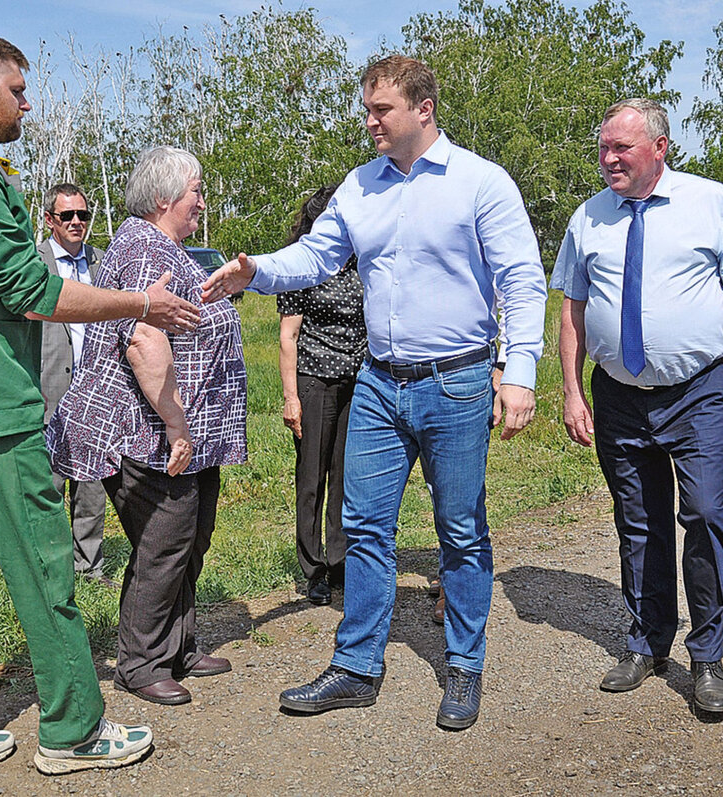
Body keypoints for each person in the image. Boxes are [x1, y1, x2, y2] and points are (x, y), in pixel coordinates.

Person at [204, 55, 547, 731]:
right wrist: (258, 270)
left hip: (458, 382)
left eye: (380, 109)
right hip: (378, 383)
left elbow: (522, 281)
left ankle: (464, 664)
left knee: (460, 530)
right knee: (361, 525)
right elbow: (318, 255)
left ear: (423, 108)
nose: (369, 122)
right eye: (366, 109)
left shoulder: (481, 183)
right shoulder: (360, 187)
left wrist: (522, 371)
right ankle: (357, 665)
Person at [0, 29, 199, 781]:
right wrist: (141, 302)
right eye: (18, 90)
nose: (26, 103)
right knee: (41, 559)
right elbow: (33, 291)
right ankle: (73, 730)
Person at [552, 98, 723, 715]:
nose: (608, 158)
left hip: (698, 392)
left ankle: (708, 655)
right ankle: (648, 643)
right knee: (638, 522)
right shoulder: (587, 218)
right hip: (618, 397)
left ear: (660, 147)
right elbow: (571, 309)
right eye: (603, 148)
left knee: (704, 514)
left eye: (621, 148)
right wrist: (571, 390)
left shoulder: (711, 203)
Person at [47, 146, 247, 707]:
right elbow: (142, 340)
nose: (202, 203)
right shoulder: (143, 248)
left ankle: (177, 643)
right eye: (196, 191)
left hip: (174, 429)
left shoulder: (164, 247)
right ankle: (140, 662)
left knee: (191, 533)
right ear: (163, 199)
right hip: (137, 428)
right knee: (166, 537)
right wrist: (180, 428)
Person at [277, 184, 365, 606]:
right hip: (314, 378)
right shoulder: (302, 266)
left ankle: (340, 560)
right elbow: (288, 337)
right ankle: (313, 568)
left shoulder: (361, 262)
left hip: (359, 380)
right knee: (312, 477)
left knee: (347, 477)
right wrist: (290, 397)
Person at [37, 183, 111, 585]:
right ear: (50, 220)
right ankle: (51, 570)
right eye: (68, 216)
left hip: (93, 395)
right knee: (48, 489)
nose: (77, 222)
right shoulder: (34, 264)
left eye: (83, 215)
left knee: (91, 491)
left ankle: (90, 567)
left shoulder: (102, 263)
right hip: (47, 395)